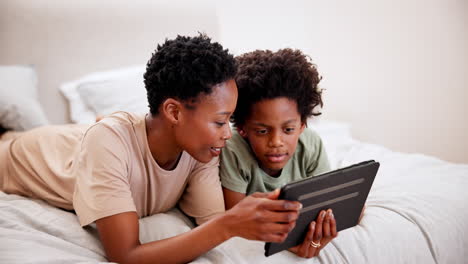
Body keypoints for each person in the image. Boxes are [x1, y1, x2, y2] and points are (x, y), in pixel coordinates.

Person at [0, 35, 303, 264]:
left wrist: (290, 233)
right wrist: (228, 224)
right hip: (20, 156)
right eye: (220, 121)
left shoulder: (202, 148)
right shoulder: (108, 142)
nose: (228, 135)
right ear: (173, 112)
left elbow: (212, 224)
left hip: (89, 144)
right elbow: (125, 254)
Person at [220, 48, 338, 258]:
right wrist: (291, 244)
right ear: (242, 129)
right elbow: (234, 216)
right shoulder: (233, 150)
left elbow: (328, 204)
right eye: (262, 131)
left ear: (302, 124)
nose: (276, 142)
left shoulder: (310, 144)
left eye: (288, 130)